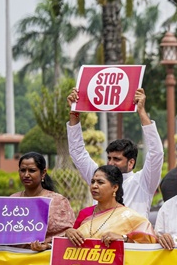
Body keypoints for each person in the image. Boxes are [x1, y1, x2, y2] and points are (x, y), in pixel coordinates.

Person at [67, 88, 164, 217]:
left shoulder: (143, 182)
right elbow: (77, 152)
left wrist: (141, 111)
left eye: (117, 159)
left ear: (131, 163)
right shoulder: (98, 177)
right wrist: (74, 114)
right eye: (109, 158)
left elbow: (156, 153)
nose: (111, 163)